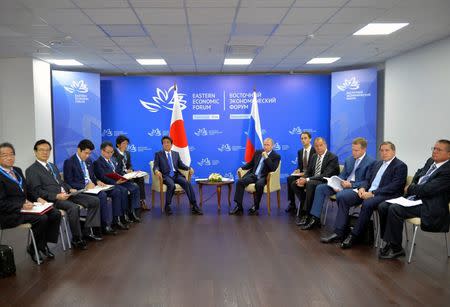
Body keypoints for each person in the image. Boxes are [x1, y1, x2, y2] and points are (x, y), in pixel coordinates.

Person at [321, 141, 407, 249]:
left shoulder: (400, 166)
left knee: (367, 203)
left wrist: (372, 193)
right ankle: (339, 232)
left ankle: (354, 235)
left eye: (387, 150)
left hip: (384, 195)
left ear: (394, 151)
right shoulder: (377, 164)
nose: (384, 153)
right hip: (366, 191)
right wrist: (362, 188)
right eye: (382, 150)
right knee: (342, 197)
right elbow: (367, 180)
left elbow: (394, 187)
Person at [378, 139, 450, 259]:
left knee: (395, 209)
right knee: (383, 206)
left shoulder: (448, 170)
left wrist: (411, 188)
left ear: (448, 154)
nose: (435, 151)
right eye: (434, 148)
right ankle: (389, 242)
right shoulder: (430, 161)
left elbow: (428, 189)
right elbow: (418, 175)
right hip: (415, 198)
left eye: (439, 150)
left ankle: (396, 249)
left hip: (431, 204)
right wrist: (413, 189)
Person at [26, 140, 103, 250]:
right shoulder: (32, 170)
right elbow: (37, 191)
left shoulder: (52, 166)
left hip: (67, 194)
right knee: (73, 207)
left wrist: (69, 189)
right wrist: (56, 196)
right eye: (42, 150)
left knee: (95, 201)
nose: (45, 153)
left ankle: (87, 231)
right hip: (53, 199)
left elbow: (61, 183)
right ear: (35, 152)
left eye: (47, 150)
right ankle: (77, 238)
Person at [0, 142, 61, 263]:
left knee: (55, 213)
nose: (9, 157)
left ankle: (42, 245)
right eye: (4, 155)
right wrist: (21, 205)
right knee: (41, 218)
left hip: (26, 207)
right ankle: (34, 249)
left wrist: (38, 199)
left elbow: (28, 190)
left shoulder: (17, 170)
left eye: (11, 154)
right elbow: (1, 203)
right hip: (9, 213)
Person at [300, 137, 375, 230]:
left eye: (356, 150)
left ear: (364, 149)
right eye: (352, 150)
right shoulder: (349, 159)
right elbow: (342, 175)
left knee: (341, 194)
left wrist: (351, 185)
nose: (353, 152)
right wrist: (336, 183)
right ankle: (315, 218)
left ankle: (341, 227)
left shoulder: (371, 162)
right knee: (320, 188)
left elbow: (367, 181)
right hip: (343, 185)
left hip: (355, 188)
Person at [63, 139, 127, 235]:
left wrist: (97, 181)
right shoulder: (69, 162)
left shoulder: (88, 161)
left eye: (89, 153)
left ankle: (116, 220)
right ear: (79, 150)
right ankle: (103, 225)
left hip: (93, 188)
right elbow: (69, 182)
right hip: (81, 190)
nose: (87, 156)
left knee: (116, 191)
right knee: (102, 196)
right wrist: (85, 185)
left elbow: (92, 177)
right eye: (86, 153)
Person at [293, 137, 340, 226]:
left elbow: (325, 175)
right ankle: (306, 206)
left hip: (326, 182)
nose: (319, 148)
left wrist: (307, 179)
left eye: (321, 145)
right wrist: (303, 178)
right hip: (314, 180)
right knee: (295, 183)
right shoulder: (314, 156)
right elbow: (309, 172)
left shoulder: (332, 157)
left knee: (310, 184)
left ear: (325, 145)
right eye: (316, 146)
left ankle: (308, 215)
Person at [229, 138, 281, 216]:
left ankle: (256, 206)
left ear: (272, 146)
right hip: (254, 175)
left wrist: (266, 157)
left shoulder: (276, 156)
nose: (265, 147)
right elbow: (251, 163)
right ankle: (238, 206)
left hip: (264, 177)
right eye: (264, 144)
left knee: (259, 185)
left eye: (268, 145)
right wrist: (242, 168)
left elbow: (273, 168)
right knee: (240, 182)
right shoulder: (258, 152)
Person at [153, 136, 202, 215]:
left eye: (168, 142)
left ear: (171, 144)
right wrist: (156, 171)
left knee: (187, 183)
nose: (166, 144)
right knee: (172, 185)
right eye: (164, 143)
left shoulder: (175, 154)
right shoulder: (158, 154)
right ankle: (167, 206)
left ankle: (194, 205)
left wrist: (189, 168)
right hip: (166, 176)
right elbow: (156, 165)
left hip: (176, 174)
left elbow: (180, 165)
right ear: (162, 145)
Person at [93, 141, 141, 223]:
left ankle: (133, 212)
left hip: (119, 180)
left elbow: (118, 171)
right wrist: (115, 183)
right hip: (111, 183)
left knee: (135, 187)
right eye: (108, 152)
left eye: (112, 152)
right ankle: (120, 216)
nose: (110, 154)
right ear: (102, 151)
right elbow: (102, 177)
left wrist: (125, 176)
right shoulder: (98, 162)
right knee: (122, 191)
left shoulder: (113, 160)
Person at [114, 135, 149, 211]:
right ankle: (131, 205)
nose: (125, 146)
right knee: (132, 182)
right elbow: (116, 169)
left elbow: (129, 165)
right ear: (118, 144)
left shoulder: (127, 153)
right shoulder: (114, 154)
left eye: (126, 144)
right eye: (123, 143)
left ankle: (141, 201)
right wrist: (126, 172)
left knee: (140, 178)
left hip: (128, 174)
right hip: (120, 175)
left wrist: (130, 169)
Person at [285, 131, 316, 214]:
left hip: (311, 175)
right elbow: (300, 166)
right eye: (302, 138)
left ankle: (304, 203)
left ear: (310, 139)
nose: (303, 140)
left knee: (294, 183)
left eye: (305, 138)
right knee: (289, 179)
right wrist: (298, 170)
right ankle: (292, 204)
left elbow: (315, 168)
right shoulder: (300, 151)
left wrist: (305, 174)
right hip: (302, 174)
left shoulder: (315, 151)